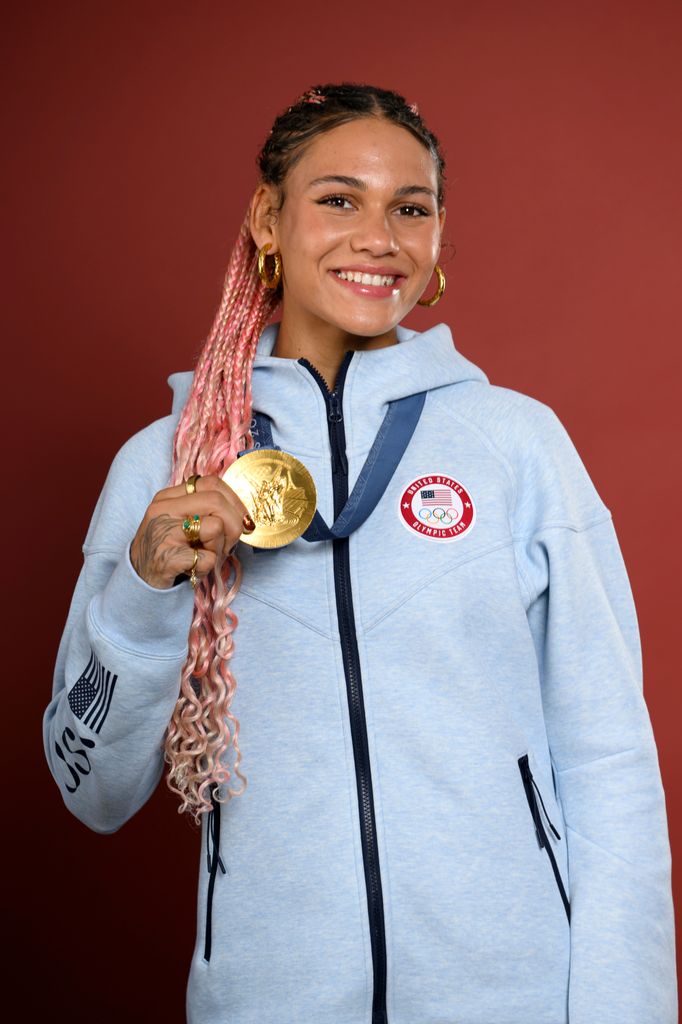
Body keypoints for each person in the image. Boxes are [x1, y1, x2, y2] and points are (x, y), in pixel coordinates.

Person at [43, 82, 677, 1024]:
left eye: (409, 209)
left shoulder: (515, 444)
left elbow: (609, 759)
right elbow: (86, 786)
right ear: (267, 218)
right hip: (270, 1002)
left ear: (436, 237)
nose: (378, 236)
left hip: (514, 999)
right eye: (339, 198)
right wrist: (145, 588)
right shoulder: (168, 463)